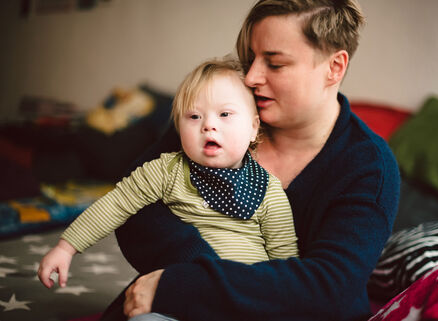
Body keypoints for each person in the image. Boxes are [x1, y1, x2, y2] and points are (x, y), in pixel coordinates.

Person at [103, 0, 401, 320]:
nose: (251, 77)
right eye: (250, 59)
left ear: (334, 68)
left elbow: (329, 287)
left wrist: (191, 284)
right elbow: (134, 204)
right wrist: (203, 274)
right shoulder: (220, 115)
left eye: (274, 64)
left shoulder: (368, 167)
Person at [37, 57, 299, 289]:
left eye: (225, 114)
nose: (209, 125)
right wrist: (66, 248)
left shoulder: (268, 190)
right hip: (181, 292)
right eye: (194, 117)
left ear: (254, 128)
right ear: (177, 126)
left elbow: (286, 260)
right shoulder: (167, 170)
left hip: (244, 294)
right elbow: (115, 203)